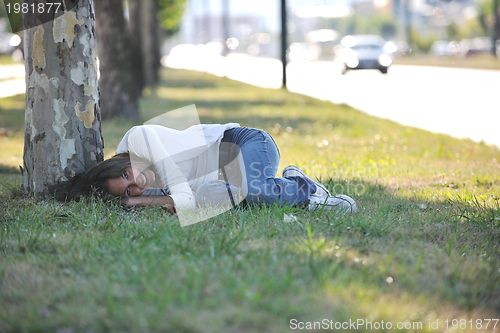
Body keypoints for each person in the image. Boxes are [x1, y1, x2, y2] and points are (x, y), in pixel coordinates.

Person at [65, 123, 357, 216]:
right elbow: (190, 201)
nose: (138, 183)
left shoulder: (139, 138)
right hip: (225, 178)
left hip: (244, 144)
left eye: (128, 175)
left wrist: (139, 201)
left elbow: (182, 202)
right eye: (130, 190)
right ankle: (289, 182)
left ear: (122, 160)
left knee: (253, 191)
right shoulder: (150, 183)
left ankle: (305, 190)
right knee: (220, 197)